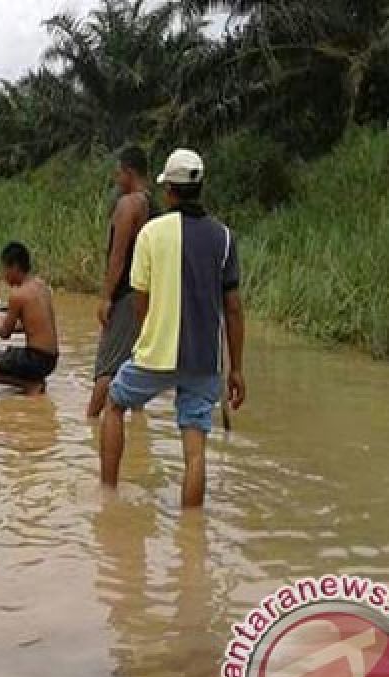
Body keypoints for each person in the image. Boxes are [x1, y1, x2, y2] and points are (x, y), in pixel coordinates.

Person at [100, 149, 246, 508]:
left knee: (114, 405)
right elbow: (233, 309)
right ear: (200, 188)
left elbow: (140, 300)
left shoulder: (151, 233)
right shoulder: (224, 238)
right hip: (203, 360)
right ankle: (191, 534)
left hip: (156, 353)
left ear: (170, 192)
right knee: (195, 451)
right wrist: (237, 369)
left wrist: (149, 333)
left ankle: (107, 495)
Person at [88, 145, 155, 418]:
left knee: (108, 366)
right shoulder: (152, 203)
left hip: (126, 293)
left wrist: (106, 297)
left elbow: (117, 257)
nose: (116, 179)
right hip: (146, 294)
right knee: (136, 360)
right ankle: (139, 431)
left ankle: (91, 421)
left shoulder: (128, 204)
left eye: (118, 173)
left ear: (129, 172)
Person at [0, 242, 60, 395]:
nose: (4, 275)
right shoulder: (42, 286)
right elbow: (34, 326)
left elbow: (5, 333)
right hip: (51, 359)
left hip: (36, 359)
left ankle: (30, 384)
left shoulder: (18, 295)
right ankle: (34, 381)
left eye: (5, 269)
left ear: (15, 267)